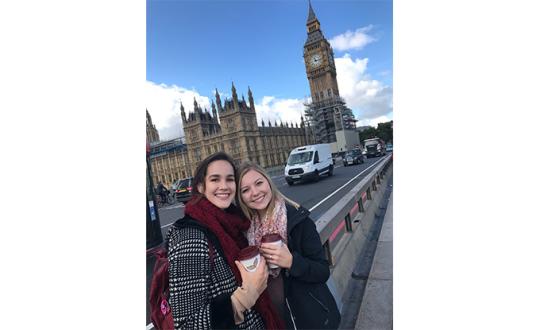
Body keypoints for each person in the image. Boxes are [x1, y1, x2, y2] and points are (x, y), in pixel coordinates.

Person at [166, 152, 284, 329]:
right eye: (215, 179)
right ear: (200, 187)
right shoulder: (189, 238)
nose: (224, 186)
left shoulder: (233, 226)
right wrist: (244, 298)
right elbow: (186, 325)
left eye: (230, 179)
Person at [237, 162, 341, 330]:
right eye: (245, 190)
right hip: (272, 320)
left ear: (268, 182)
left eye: (258, 183)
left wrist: (292, 262)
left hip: (308, 320)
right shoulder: (243, 231)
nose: (255, 193)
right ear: (240, 197)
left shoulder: (298, 221)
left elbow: (322, 271)